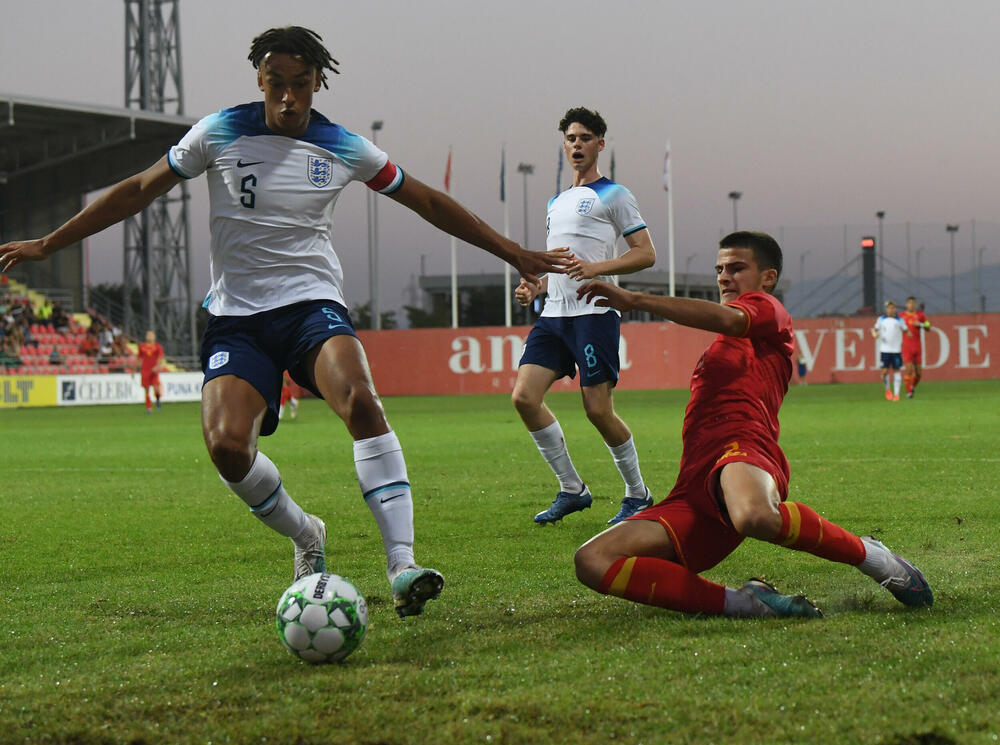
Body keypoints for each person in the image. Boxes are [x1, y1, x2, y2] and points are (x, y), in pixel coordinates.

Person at [0, 26, 566, 620]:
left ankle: (402, 565)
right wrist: (50, 242)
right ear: (260, 83)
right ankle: (306, 535)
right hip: (236, 319)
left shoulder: (343, 146)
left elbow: (426, 201)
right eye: (277, 85)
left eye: (301, 85)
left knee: (361, 401)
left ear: (318, 82)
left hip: (310, 306)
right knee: (225, 446)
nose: (289, 98)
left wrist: (513, 252)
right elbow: (139, 190)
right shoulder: (219, 131)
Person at [572, 231, 932, 618]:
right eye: (720, 269)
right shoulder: (724, 344)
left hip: (743, 450)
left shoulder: (767, 310)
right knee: (592, 559)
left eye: (736, 268)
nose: (724, 276)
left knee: (754, 514)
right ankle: (748, 604)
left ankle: (870, 556)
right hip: (694, 487)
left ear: (768, 278)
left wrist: (634, 299)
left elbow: (729, 318)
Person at [512, 108, 656, 526]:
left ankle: (638, 494)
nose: (577, 145)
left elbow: (646, 253)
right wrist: (535, 285)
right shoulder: (556, 201)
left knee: (597, 410)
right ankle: (572, 489)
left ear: (600, 145)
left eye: (586, 138)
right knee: (523, 398)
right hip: (554, 315)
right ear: (564, 144)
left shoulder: (614, 194)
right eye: (571, 138)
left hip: (594, 313)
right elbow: (558, 262)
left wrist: (596, 269)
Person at [871, 300, 909, 401]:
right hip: (885, 349)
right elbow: (874, 329)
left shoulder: (899, 320)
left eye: (892, 308)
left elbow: (906, 330)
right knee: (884, 371)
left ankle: (896, 394)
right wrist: (874, 333)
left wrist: (909, 333)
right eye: (889, 308)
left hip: (896, 350)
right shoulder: (881, 319)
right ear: (886, 309)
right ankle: (887, 389)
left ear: (895, 309)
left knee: (897, 370)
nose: (890, 310)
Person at [899, 296, 930, 398]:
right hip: (906, 347)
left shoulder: (921, 315)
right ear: (906, 304)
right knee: (908, 370)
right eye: (909, 303)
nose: (911, 305)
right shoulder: (901, 316)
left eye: (913, 303)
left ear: (915, 304)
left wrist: (921, 324)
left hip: (917, 347)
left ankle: (911, 386)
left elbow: (928, 327)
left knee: (919, 374)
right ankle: (909, 393)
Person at [138, 329, 166, 413]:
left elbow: (160, 357)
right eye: (147, 335)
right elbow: (139, 357)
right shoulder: (142, 346)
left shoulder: (157, 346)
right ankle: (149, 407)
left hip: (154, 370)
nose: (149, 336)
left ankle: (157, 400)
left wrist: (157, 366)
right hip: (145, 370)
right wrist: (134, 368)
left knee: (156, 388)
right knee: (146, 389)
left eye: (150, 335)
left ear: (154, 337)